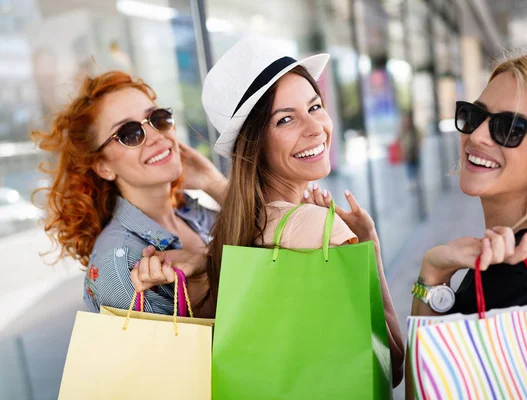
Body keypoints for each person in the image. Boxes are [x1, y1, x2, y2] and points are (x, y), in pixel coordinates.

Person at [133, 36, 405, 386]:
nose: (314, 128)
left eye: (315, 106)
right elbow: (391, 367)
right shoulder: (318, 226)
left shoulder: (231, 233)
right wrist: (370, 246)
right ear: (255, 144)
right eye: (285, 120)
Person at [407, 49, 527, 397]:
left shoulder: (520, 273)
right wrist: (433, 272)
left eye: (508, 127)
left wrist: (431, 277)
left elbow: (423, 392)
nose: (477, 136)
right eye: (473, 115)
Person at [31, 70, 227, 315]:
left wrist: (214, 183)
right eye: (129, 134)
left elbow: (274, 247)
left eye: (158, 118)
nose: (156, 136)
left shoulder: (189, 210)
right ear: (103, 167)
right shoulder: (119, 266)